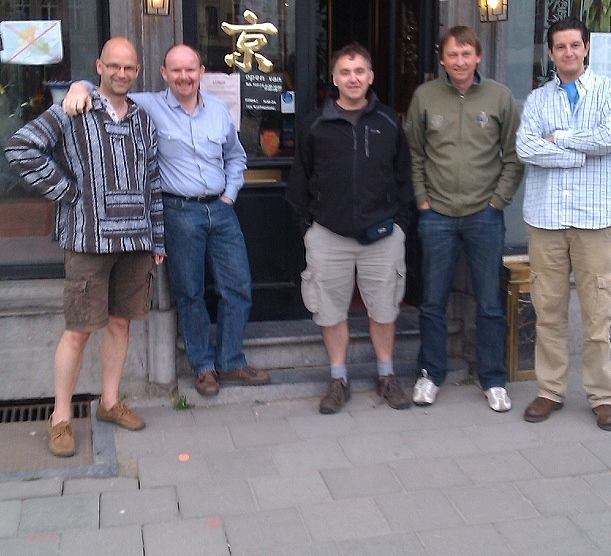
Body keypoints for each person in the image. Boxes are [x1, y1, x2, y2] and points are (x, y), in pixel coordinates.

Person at [62, 44, 270, 397]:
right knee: (189, 293)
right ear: (163, 73)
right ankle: (204, 367)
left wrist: (230, 194)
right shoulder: (148, 105)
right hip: (179, 212)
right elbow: (109, 88)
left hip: (221, 210)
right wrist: (78, 86)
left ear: (201, 72)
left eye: (190, 70)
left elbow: (235, 156)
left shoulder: (219, 110)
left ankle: (231, 360)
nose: (184, 77)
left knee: (237, 288)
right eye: (176, 70)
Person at [5, 37, 164, 457]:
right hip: (87, 240)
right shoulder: (74, 108)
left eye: (128, 67)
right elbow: (20, 148)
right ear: (99, 66)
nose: (121, 73)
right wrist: (68, 192)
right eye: (113, 66)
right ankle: (60, 417)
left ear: (138, 71)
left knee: (121, 323)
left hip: (135, 241)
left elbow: (152, 181)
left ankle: (110, 402)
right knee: (77, 331)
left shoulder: (143, 120)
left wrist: (158, 237)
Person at [286, 43, 414, 413]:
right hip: (328, 235)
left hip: (383, 235)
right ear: (334, 78)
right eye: (345, 72)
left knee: (384, 309)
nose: (353, 78)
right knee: (329, 311)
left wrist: (401, 227)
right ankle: (338, 380)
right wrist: (308, 229)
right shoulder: (315, 124)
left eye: (359, 71)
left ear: (370, 77)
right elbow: (300, 182)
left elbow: (404, 179)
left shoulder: (389, 122)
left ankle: (386, 376)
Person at [516, 16, 611, 431]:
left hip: (595, 219)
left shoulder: (610, 91)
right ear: (550, 53)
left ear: (587, 48)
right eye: (560, 47)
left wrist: (559, 139)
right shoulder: (537, 100)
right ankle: (550, 390)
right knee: (548, 310)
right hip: (546, 219)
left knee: (598, 312)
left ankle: (603, 396)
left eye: (575, 45)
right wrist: (582, 152)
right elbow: (526, 148)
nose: (568, 53)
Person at [405, 25, 524, 410]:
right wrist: (422, 199)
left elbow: (515, 156)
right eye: (453, 55)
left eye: (466, 54)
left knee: (489, 302)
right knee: (432, 301)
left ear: (478, 57)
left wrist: (498, 201)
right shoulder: (425, 97)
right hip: (436, 215)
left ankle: (493, 379)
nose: (460, 61)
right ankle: (430, 374)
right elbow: (414, 154)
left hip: (484, 215)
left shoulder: (500, 97)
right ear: (442, 59)